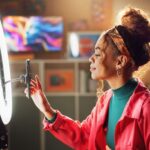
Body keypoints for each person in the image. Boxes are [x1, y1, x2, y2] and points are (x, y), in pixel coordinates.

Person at [25, 7, 150, 150]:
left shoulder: (146, 108)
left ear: (120, 61)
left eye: (97, 54)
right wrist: (47, 110)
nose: (91, 59)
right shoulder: (105, 101)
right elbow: (85, 136)